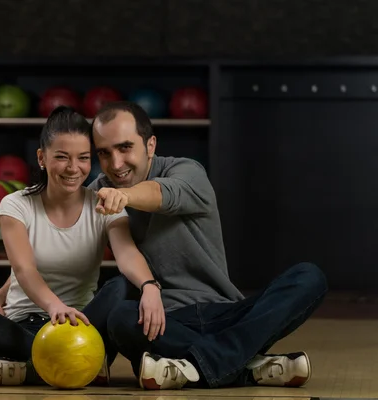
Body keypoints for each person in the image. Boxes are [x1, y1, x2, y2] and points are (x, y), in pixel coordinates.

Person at [85, 101, 328, 390]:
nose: (115, 164)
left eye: (125, 148)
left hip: (225, 314)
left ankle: (197, 364)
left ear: (150, 145)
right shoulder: (99, 192)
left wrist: (123, 197)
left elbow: (163, 193)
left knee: (309, 277)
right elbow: (61, 239)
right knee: (121, 317)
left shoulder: (187, 171)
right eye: (104, 152)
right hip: (162, 323)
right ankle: (246, 366)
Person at [0, 106, 165, 387]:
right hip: (24, 323)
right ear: (42, 157)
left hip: (83, 326)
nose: (73, 168)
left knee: (123, 286)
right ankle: (71, 366)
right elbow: (24, 269)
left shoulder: (102, 203)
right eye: (62, 157)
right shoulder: (15, 205)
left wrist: (149, 285)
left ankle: (26, 369)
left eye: (83, 158)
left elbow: (127, 254)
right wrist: (55, 307)